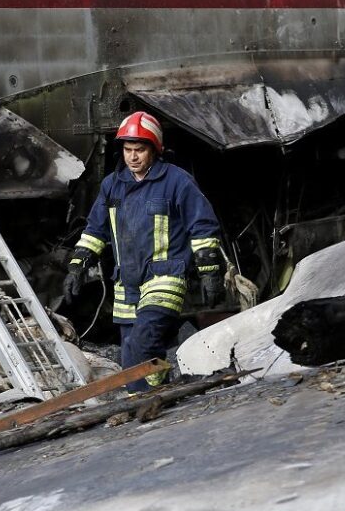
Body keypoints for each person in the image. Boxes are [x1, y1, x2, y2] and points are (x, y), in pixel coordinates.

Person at [63, 111, 225, 391]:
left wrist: (209, 272)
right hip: (126, 283)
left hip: (165, 277)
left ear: (155, 149)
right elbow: (95, 230)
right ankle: (145, 401)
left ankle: (155, 390)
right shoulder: (112, 185)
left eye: (139, 150)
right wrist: (77, 265)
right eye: (128, 150)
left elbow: (202, 226)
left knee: (144, 340)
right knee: (130, 358)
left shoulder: (177, 181)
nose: (133, 157)